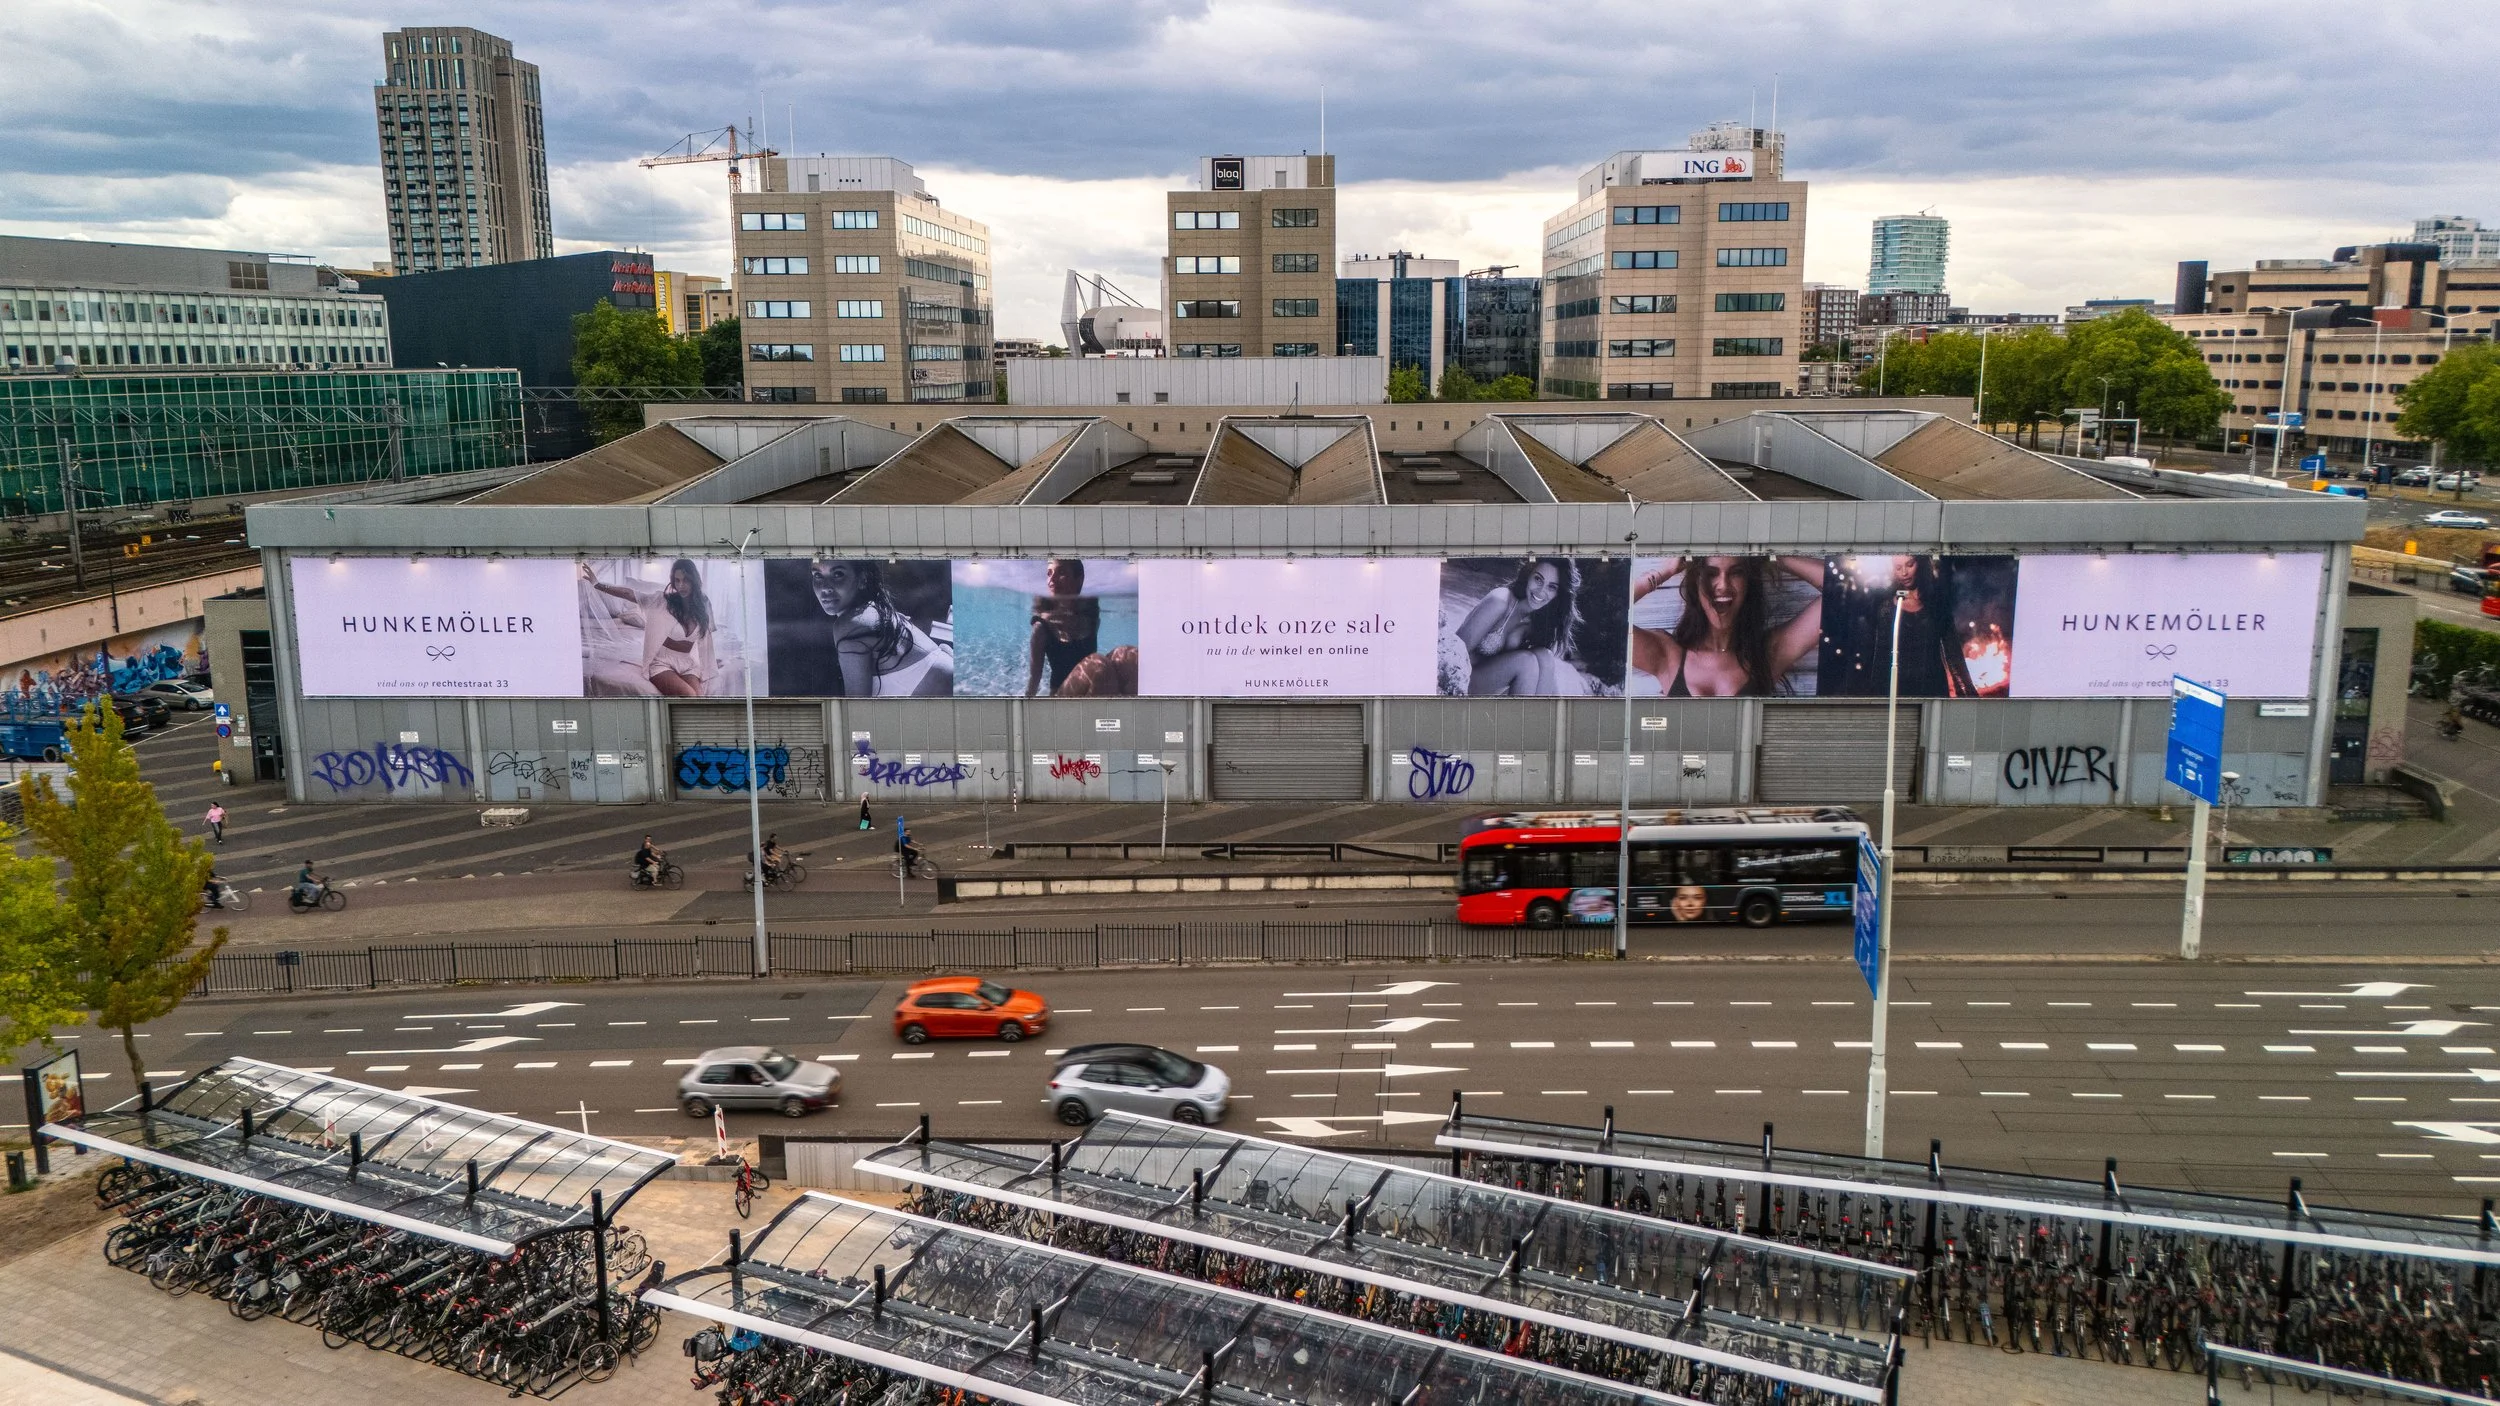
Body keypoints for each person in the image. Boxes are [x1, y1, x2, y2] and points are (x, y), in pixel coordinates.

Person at [1631, 556, 1825, 697]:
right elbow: (1602, 619)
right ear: (1696, 583)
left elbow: (1847, 590)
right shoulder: (1667, 655)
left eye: (1736, 573)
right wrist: (1662, 573)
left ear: (1748, 583)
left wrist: (1773, 555)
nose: (1723, 585)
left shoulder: (1768, 654)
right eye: (1711, 573)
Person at [805, 559, 953, 697]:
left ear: (862, 580)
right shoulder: (875, 611)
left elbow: (857, 707)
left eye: (838, 574)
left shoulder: (851, 624)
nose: (825, 587)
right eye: (818, 575)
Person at [582, 559, 719, 697]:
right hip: (662, 663)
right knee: (689, 695)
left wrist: (709, 664)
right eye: (677, 580)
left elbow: (707, 638)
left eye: (686, 580)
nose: (681, 585)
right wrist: (599, 585)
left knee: (701, 697)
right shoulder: (664, 601)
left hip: (688, 663)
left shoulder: (704, 604)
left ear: (694, 579)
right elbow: (630, 594)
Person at [1457, 559, 1591, 696]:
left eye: (1551, 587)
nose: (1541, 591)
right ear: (1528, 574)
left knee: (1545, 657)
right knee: (1526, 662)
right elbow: (1455, 650)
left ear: (1558, 593)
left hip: (1494, 687)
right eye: (1538, 579)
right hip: (1464, 679)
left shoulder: (1536, 622)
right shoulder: (1500, 601)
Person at [1027, 559, 1105, 697]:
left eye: (1061, 572)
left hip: (1090, 690)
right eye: (1049, 573)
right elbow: (1034, 680)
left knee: (1125, 655)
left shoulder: (1091, 618)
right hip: (1061, 695)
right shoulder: (1041, 628)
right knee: (1098, 665)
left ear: (1079, 579)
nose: (1052, 579)